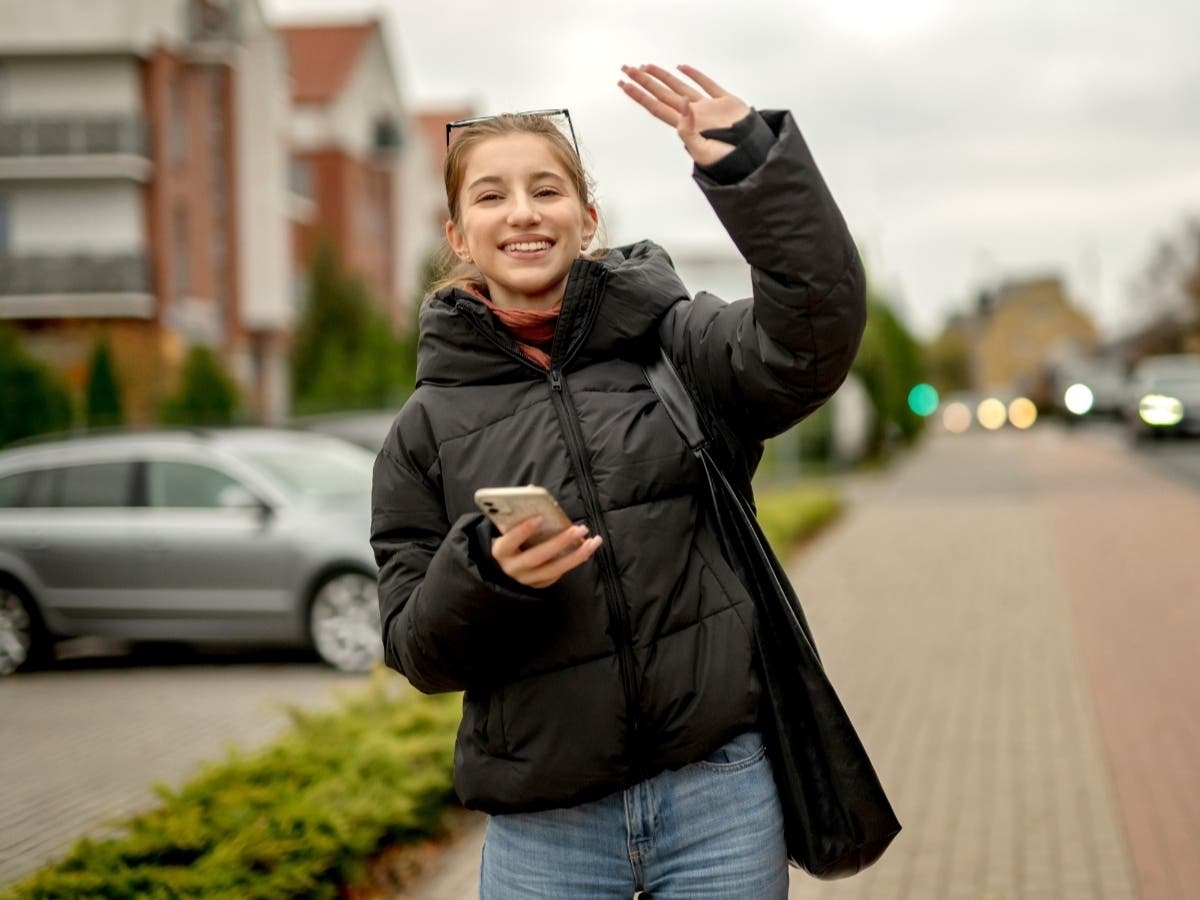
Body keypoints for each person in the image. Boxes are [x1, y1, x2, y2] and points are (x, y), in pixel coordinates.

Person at [370, 63, 866, 899]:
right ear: (458, 235)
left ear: (588, 217)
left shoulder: (676, 345)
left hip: (719, 799)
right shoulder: (423, 431)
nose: (522, 213)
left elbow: (812, 337)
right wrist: (486, 577)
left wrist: (751, 166)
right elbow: (416, 649)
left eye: (547, 190)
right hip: (544, 832)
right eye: (490, 197)